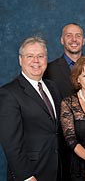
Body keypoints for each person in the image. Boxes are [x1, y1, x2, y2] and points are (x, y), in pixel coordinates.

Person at [0, 36, 63, 181]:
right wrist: (26, 177)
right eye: (30, 56)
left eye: (40, 56)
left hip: (56, 170)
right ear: (20, 60)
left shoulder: (52, 87)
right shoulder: (8, 93)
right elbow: (11, 143)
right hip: (31, 174)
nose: (36, 61)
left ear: (46, 59)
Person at [44, 23, 85, 98]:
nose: (74, 39)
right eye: (69, 35)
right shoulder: (49, 69)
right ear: (62, 40)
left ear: (83, 41)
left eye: (78, 36)